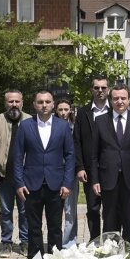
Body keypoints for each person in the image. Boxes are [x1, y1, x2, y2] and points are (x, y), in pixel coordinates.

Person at [13, 91, 75, 259]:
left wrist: (68, 183)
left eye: (47, 101)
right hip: (31, 184)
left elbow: (70, 156)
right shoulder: (25, 126)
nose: (44, 105)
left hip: (56, 184)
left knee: (55, 227)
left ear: (53, 104)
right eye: (40, 102)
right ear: (34, 104)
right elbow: (17, 157)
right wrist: (19, 183)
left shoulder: (63, 126)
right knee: (33, 227)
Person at [91, 84, 130, 246]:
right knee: (109, 220)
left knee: (129, 220)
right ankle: (109, 253)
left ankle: (129, 253)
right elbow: (94, 155)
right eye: (116, 98)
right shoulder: (101, 121)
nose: (119, 101)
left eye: (123, 98)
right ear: (111, 100)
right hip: (108, 179)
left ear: (129, 100)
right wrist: (95, 180)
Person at [0, 90, 30, 254]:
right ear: (5, 103)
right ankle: (6, 242)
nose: (14, 104)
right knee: (5, 211)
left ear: (22, 102)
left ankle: (25, 242)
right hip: (3, 176)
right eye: (10, 101)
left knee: (25, 211)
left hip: (25, 177)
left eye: (17, 101)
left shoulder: (30, 121)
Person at [74, 75, 109, 241]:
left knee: (111, 208)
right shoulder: (83, 113)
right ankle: (95, 241)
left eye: (103, 87)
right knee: (93, 208)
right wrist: (79, 167)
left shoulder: (114, 111)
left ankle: (110, 242)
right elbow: (77, 141)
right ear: (92, 90)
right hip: (89, 169)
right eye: (97, 88)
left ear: (108, 89)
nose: (100, 91)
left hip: (110, 168)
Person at [55, 97, 79, 247]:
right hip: (55, 173)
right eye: (60, 110)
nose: (63, 113)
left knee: (70, 210)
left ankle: (69, 243)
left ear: (70, 110)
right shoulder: (52, 127)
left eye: (66, 109)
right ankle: (56, 242)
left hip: (71, 173)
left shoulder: (75, 127)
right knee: (56, 210)